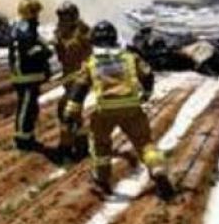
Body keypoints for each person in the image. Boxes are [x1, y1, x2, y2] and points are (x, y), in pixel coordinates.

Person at [63, 20, 174, 199]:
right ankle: (157, 168)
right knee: (144, 142)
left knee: (100, 144)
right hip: (131, 107)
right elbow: (147, 75)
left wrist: (70, 113)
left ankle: (101, 178)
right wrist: (146, 93)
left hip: (105, 110)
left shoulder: (91, 62)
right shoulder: (130, 57)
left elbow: (79, 90)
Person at [8, 0, 52, 150]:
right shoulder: (26, 28)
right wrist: (45, 51)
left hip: (22, 74)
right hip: (27, 75)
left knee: (27, 106)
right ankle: (22, 140)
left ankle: (27, 135)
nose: (38, 16)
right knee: (27, 107)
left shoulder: (19, 26)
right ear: (30, 12)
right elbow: (30, 52)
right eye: (36, 12)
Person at [53, 1, 92, 160]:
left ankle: (69, 147)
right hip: (68, 79)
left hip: (81, 78)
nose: (63, 20)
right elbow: (62, 57)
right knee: (69, 111)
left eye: (66, 16)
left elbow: (91, 52)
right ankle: (79, 143)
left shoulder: (83, 31)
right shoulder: (60, 33)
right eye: (61, 16)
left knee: (68, 110)